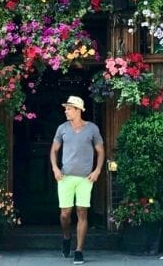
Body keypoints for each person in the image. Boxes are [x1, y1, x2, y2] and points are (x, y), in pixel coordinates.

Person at [51, 95, 104, 264]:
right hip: (65, 177)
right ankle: (66, 236)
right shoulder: (62, 129)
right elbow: (54, 151)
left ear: (77, 110)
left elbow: (100, 151)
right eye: (66, 108)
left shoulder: (92, 129)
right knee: (65, 214)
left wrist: (97, 171)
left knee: (82, 212)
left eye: (68, 108)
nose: (65, 111)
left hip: (85, 179)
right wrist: (55, 168)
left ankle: (79, 250)